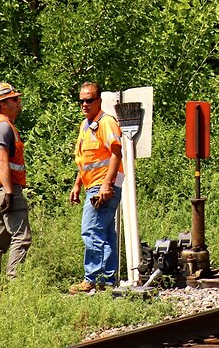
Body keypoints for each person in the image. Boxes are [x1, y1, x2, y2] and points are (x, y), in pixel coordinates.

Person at [68, 81, 124, 294]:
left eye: (89, 100)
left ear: (99, 101)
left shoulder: (105, 122)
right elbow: (86, 160)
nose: (84, 104)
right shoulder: (86, 125)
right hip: (93, 184)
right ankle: (108, 281)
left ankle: (90, 278)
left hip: (103, 185)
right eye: (81, 100)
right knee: (106, 232)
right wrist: (77, 184)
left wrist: (107, 185)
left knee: (90, 230)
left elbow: (116, 153)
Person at [0, 81, 32, 293]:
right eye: (14, 99)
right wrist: (10, 192)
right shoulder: (3, 127)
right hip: (6, 190)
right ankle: (16, 286)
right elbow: (2, 161)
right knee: (22, 237)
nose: (19, 102)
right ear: (2, 104)